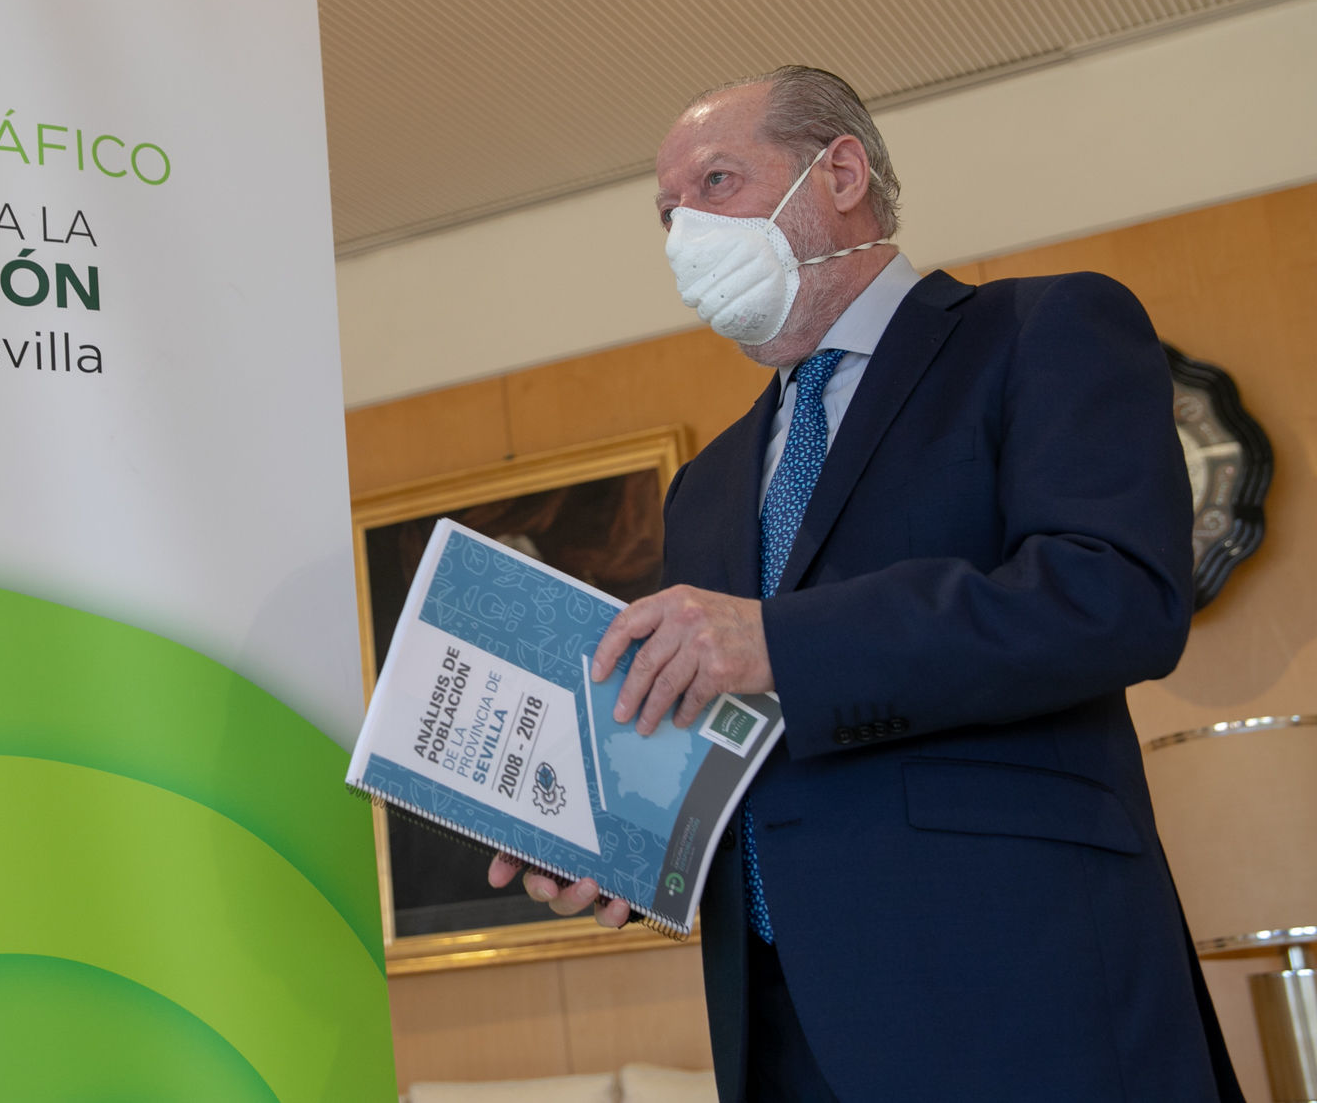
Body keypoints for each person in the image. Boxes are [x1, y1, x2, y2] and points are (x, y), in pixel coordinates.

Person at [488, 67, 1243, 1102]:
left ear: (840, 173)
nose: (684, 233)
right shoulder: (707, 485)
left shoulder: (1040, 330)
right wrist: (619, 841)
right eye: (666, 214)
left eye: (715, 182)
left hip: (1020, 996)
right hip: (782, 1027)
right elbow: (723, 735)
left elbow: (1113, 596)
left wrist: (780, 642)